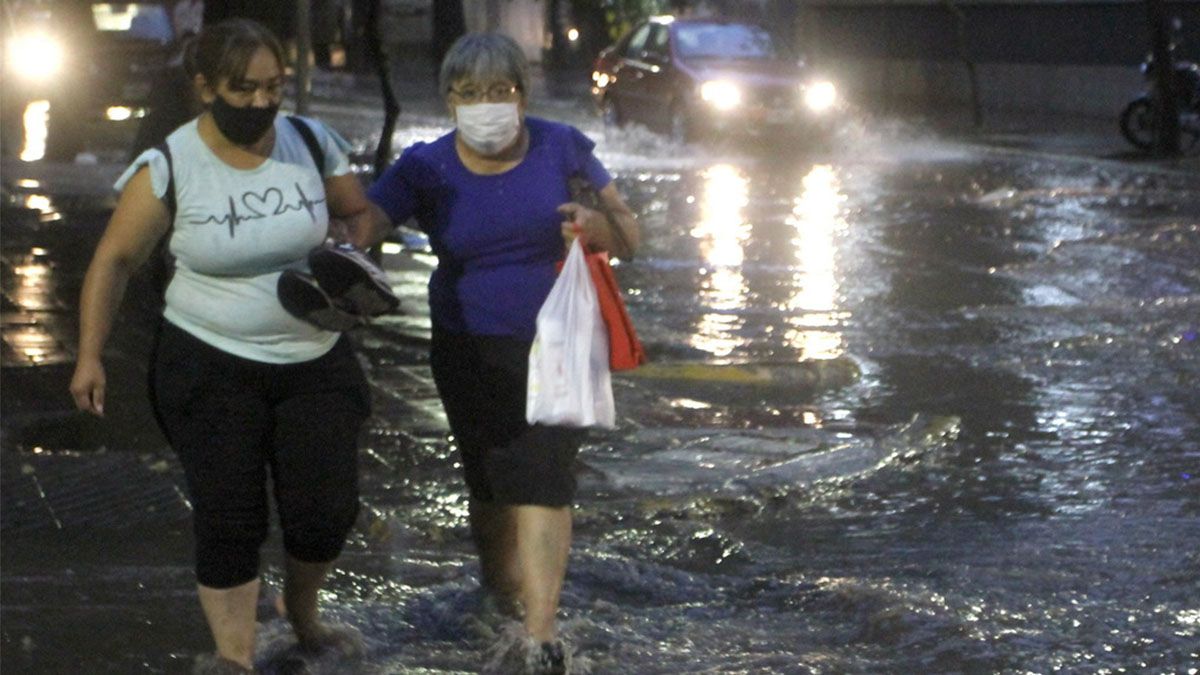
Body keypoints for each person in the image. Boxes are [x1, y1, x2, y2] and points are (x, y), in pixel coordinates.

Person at [69, 18, 390, 674]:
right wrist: (89, 353)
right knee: (229, 515)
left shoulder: (309, 140)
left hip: (313, 359)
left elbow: (360, 213)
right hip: (207, 364)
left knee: (325, 509)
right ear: (205, 86)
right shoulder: (170, 164)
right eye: (243, 89)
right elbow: (116, 260)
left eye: (273, 87)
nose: (261, 103)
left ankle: (302, 613)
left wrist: (349, 252)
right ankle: (234, 656)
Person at [363, 32, 639, 674]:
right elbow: (361, 230)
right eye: (467, 93)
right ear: (448, 100)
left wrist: (598, 227)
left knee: (544, 480)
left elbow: (629, 230)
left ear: (521, 92)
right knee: (488, 484)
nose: (483, 104)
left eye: (498, 91)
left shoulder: (561, 146)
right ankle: (497, 594)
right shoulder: (424, 166)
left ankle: (539, 636)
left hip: (559, 342)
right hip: (465, 347)